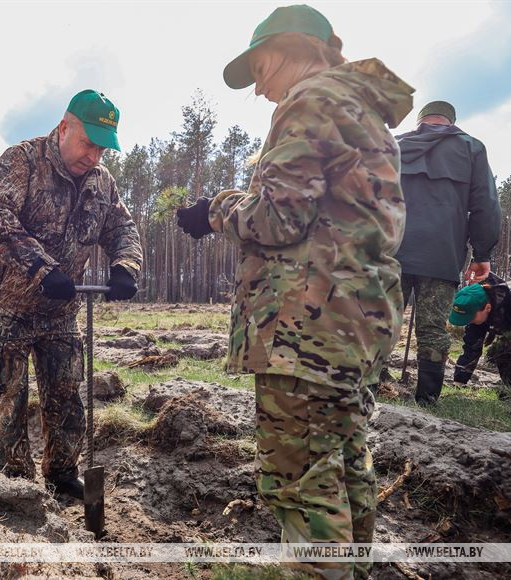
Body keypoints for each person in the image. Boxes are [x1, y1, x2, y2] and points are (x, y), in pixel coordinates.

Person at [176, 5, 413, 577]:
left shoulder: (309, 102)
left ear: (291, 48)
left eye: (260, 68)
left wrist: (217, 210)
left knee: (300, 481)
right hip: (355, 319)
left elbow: (278, 220)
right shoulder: (364, 113)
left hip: (307, 324)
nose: (258, 90)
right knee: (344, 465)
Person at [0, 89, 142, 499]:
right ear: (64, 127)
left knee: (68, 394)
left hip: (62, 311)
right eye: (89, 144)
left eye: (103, 149)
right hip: (10, 305)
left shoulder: (102, 183)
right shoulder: (22, 161)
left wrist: (125, 266)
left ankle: (63, 475)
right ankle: (13, 487)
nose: (94, 157)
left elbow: (122, 229)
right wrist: (42, 268)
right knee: (9, 397)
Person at [393, 100, 501, 404]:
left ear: (421, 121)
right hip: (441, 255)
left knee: (381, 323)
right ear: (451, 121)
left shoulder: (393, 145)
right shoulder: (471, 148)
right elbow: (486, 205)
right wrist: (482, 253)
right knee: (432, 328)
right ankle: (427, 400)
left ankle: (367, 390)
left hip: (389, 251)